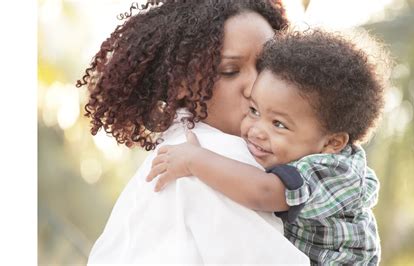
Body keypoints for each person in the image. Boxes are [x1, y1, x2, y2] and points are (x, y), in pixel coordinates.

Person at [77, 0, 309, 264]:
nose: (257, 85)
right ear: (181, 85)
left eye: (268, 65)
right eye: (230, 71)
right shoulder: (212, 160)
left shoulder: (179, 151)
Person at [147, 28, 392, 265]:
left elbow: (264, 192)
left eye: (279, 124)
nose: (256, 130)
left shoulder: (332, 171)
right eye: (254, 111)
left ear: (332, 142)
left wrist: (196, 160)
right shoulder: (295, 151)